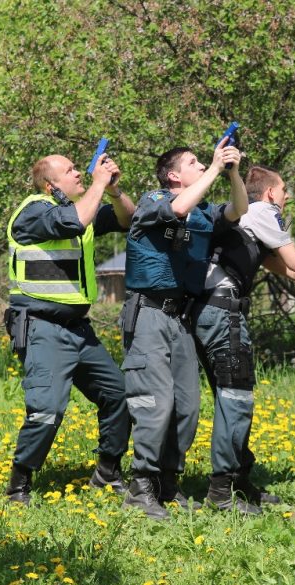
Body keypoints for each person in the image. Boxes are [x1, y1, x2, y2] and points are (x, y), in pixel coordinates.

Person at [190, 165, 295, 514]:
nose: (287, 196)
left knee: (232, 395)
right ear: (269, 194)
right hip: (223, 310)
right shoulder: (264, 212)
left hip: (210, 310)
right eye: (283, 191)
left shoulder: (248, 224)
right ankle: (222, 491)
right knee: (235, 397)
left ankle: (238, 480)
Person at [119, 136, 247, 520]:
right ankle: (140, 487)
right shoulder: (153, 201)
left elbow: (239, 209)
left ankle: (167, 485)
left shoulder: (203, 212)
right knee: (155, 404)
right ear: (174, 175)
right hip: (149, 316)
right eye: (193, 163)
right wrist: (213, 168)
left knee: (187, 409)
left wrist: (234, 172)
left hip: (181, 318)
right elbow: (176, 208)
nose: (201, 166)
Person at [3, 152, 136, 506]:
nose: (79, 172)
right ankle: (19, 484)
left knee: (118, 395)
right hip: (42, 328)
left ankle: (107, 473)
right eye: (71, 170)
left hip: (78, 329)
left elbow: (128, 218)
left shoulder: (84, 210)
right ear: (51, 185)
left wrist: (112, 190)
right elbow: (72, 222)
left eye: (79, 167)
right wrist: (96, 184)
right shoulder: (34, 211)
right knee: (47, 409)